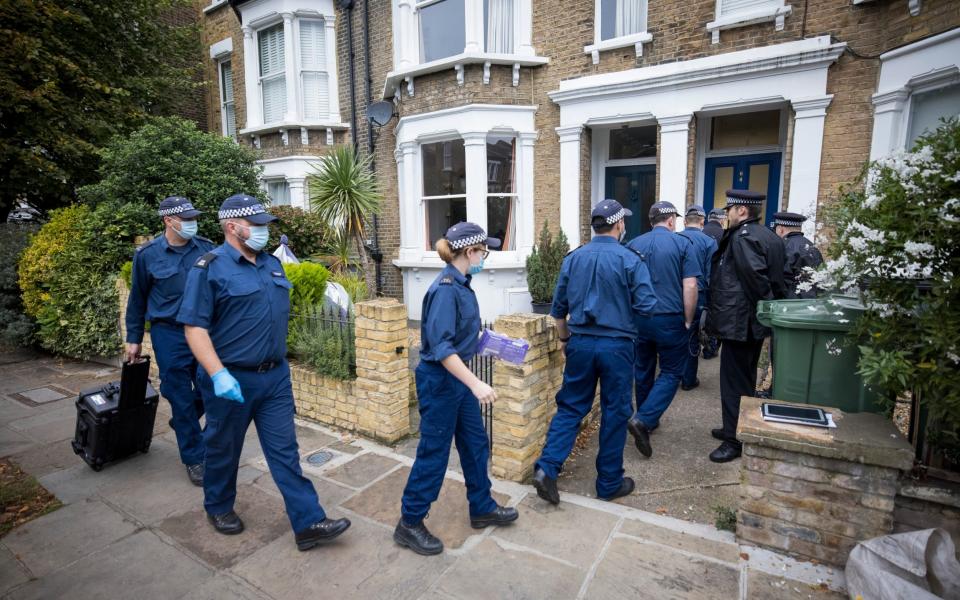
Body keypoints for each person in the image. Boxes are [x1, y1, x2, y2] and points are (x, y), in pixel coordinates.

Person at [177, 194, 350, 550]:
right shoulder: (208, 268)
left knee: (285, 451)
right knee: (224, 449)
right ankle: (218, 506)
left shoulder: (271, 264)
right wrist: (217, 374)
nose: (263, 231)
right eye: (255, 225)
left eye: (264, 225)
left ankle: (308, 522)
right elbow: (194, 328)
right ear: (232, 227)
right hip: (229, 378)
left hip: (274, 378)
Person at [395, 222, 518, 556]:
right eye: (483, 251)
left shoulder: (463, 285)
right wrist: (476, 383)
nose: (485, 256)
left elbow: (464, 337)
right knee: (434, 454)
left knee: (476, 445)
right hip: (441, 382)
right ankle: (409, 522)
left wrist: (498, 345)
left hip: (456, 381)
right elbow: (442, 348)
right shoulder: (446, 288)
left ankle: (481, 507)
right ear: (469, 252)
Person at [533, 200, 657, 505]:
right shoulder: (630, 259)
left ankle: (547, 468)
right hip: (616, 346)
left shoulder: (573, 258)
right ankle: (609, 482)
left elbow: (558, 309)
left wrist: (564, 340)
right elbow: (647, 306)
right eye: (623, 222)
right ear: (618, 225)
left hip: (581, 344)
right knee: (615, 412)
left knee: (572, 407)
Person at [125, 196, 214, 486]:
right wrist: (134, 338)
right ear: (168, 220)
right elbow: (137, 300)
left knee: (209, 386)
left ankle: (183, 420)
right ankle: (194, 457)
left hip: (202, 331)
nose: (191, 223)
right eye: (185, 219)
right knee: (178, 393)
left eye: (192, 218)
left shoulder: (206, 248)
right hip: (169, 333)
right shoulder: (147, 255)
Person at [705, 190, 787, 463]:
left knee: (733, 382)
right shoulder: (768, 236)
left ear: (741, 210)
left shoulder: (743, 238)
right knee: (746, 378)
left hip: (741, 323)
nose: (726, 213)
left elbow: (756, 281)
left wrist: (762, 311)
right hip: (750, 324)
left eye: (729, 209)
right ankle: (737, 426)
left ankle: (734, 439)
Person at [624, 201, 699, 459]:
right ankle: (644, 419)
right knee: (671, 372)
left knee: (643, 369)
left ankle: (647, 420)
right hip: (670, 318)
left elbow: (625, 286)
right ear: (670, 221)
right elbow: (690, 286)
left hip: (640, 318)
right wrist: (688, 319)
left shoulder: (633, 245)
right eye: (675, 220)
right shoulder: (682, 244)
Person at [676, 205, 718, 391]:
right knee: (692, 335)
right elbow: (711, 274)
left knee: (675, 335)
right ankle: (688, 379)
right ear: (702, 222)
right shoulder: (709, 242)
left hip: (675, 293)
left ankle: (672, 374)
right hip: (698, 294)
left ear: (685, 222)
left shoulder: (674, 239)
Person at [773, 211, 823, 299]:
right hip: (814, 301)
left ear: (780, 229)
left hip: (791, 303)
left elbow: (779, 280)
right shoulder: (812, 246)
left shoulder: (783, 247)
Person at [700, 209, 726, 360]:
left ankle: (698, 342)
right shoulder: (725, 235)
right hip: (718, 281)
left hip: (699, 281)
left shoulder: (700, 232)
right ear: (721, 219)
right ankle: (711, 347)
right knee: (716, 314)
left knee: (700, 312)